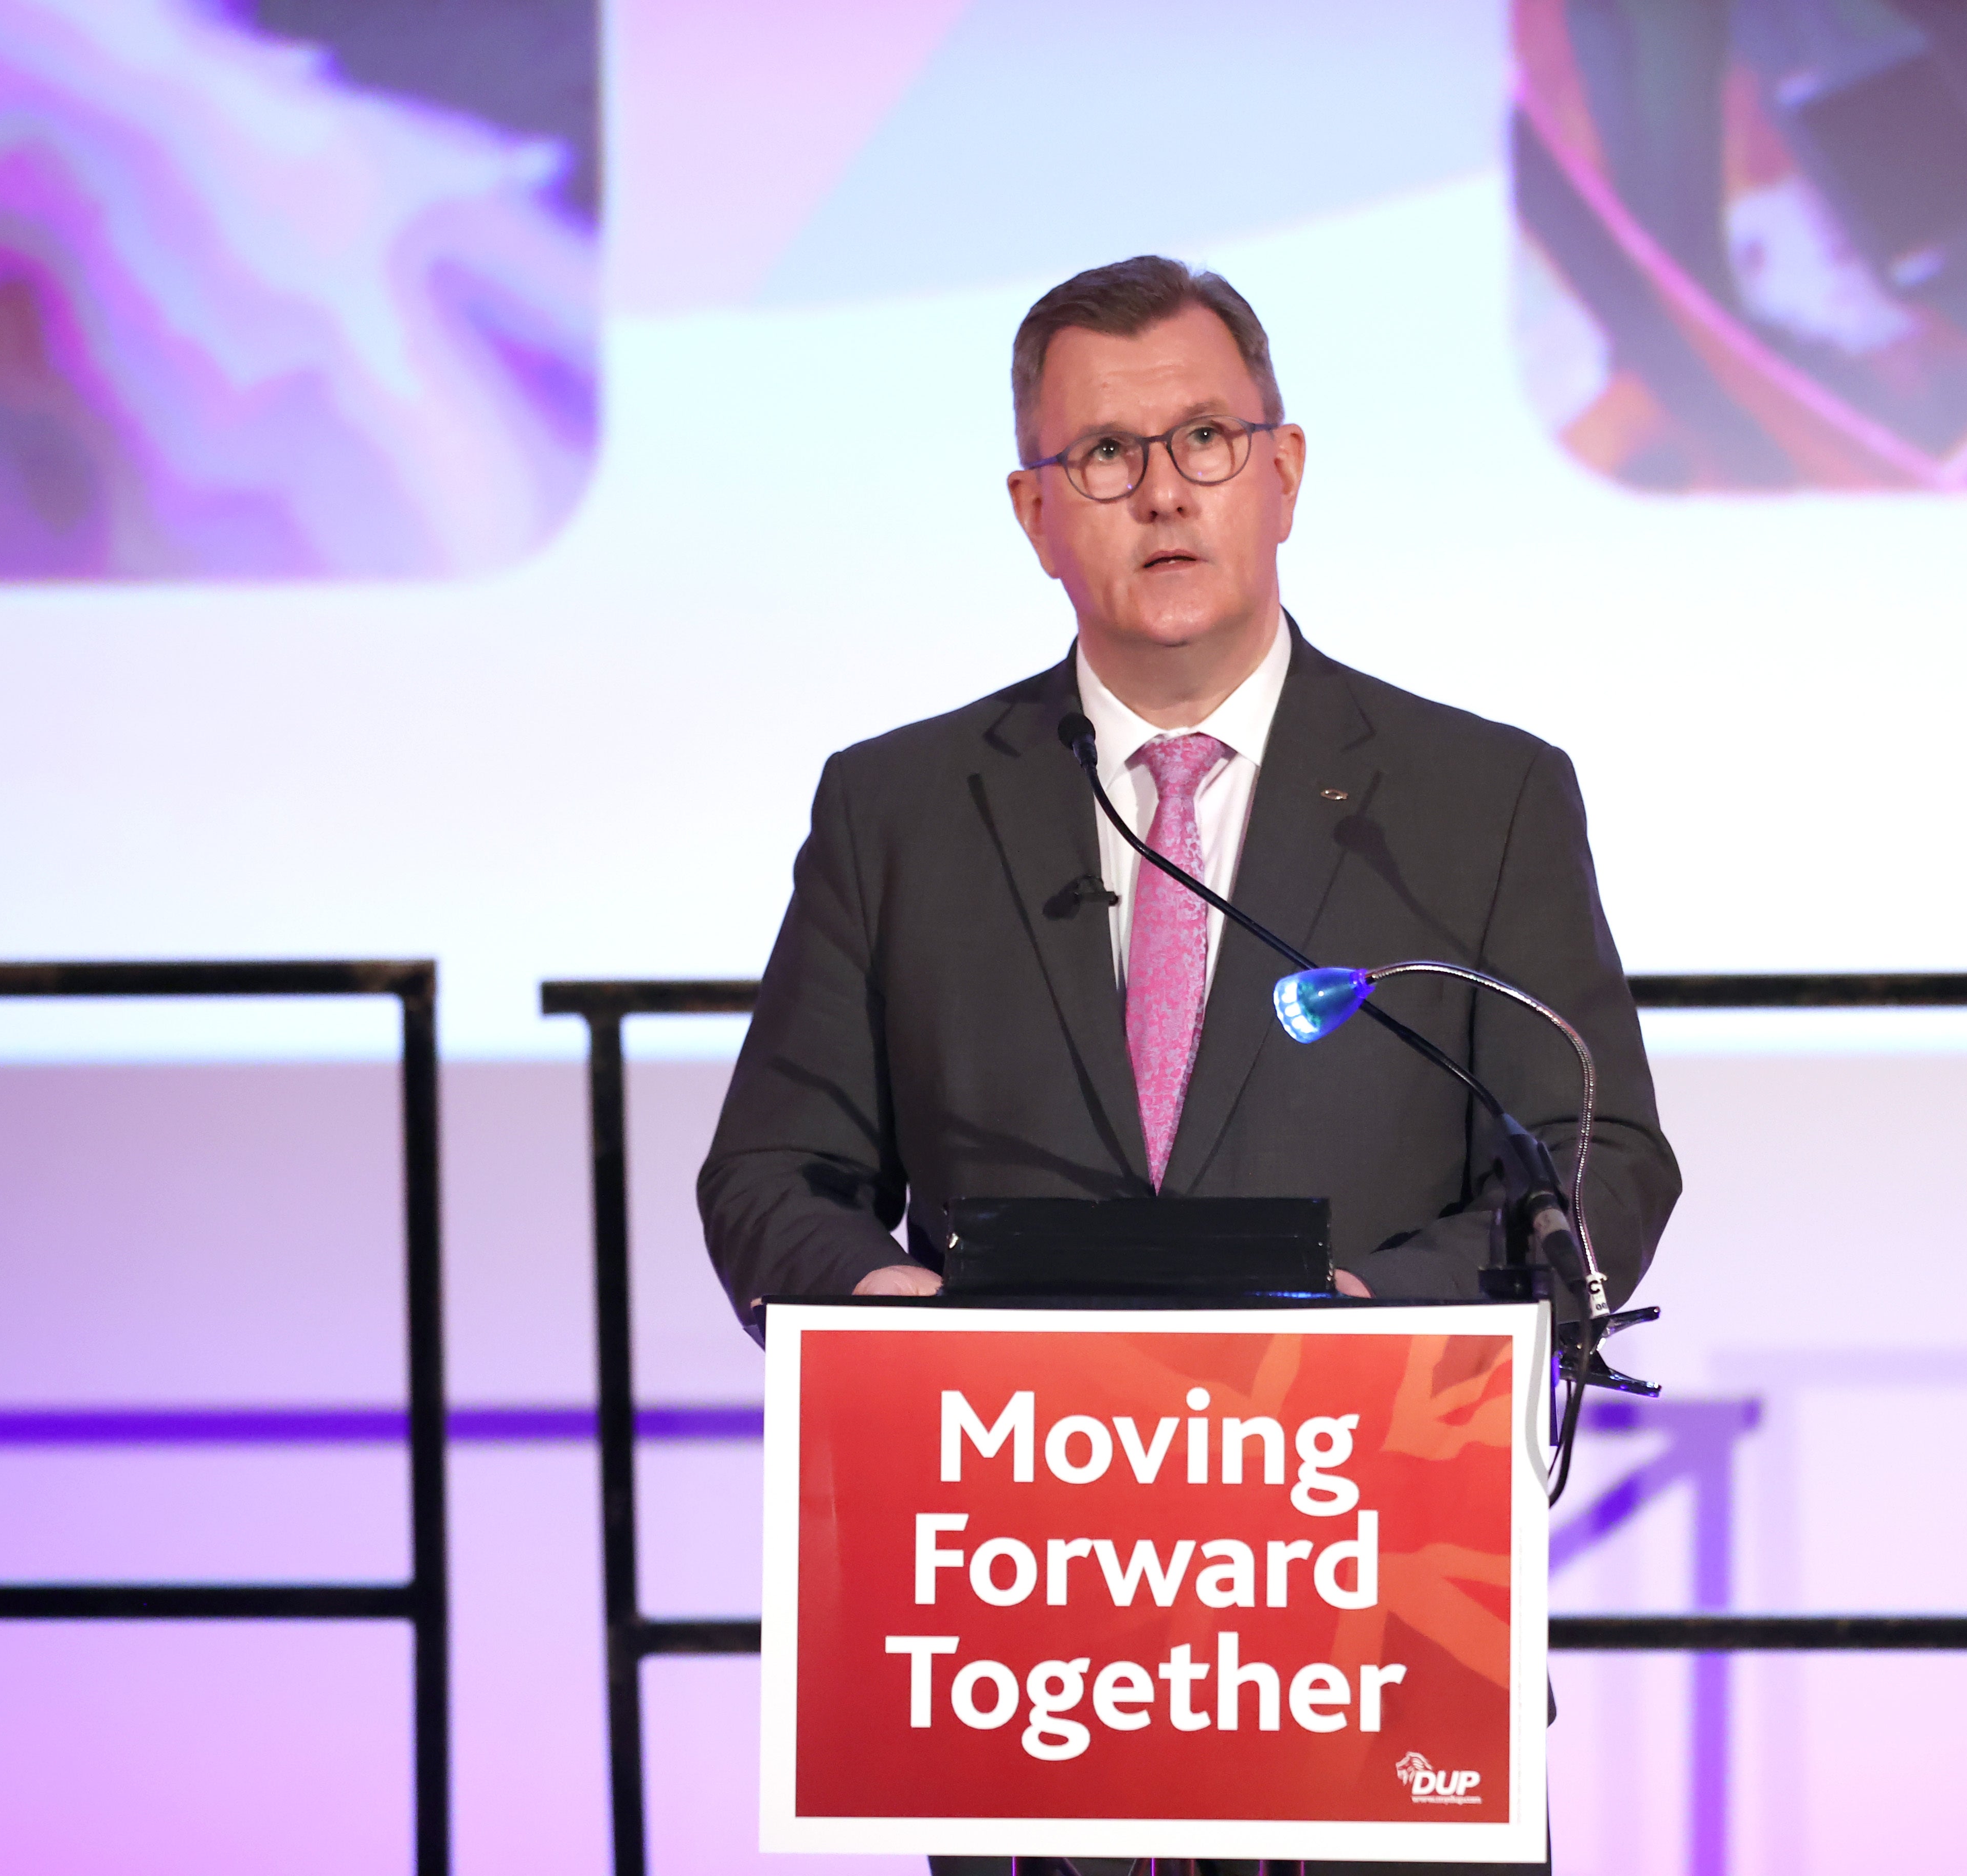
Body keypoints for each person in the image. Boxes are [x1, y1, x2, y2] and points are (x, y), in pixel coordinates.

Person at [698, 254, 1679, 1876]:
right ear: (1032, 511)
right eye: (1104, 455)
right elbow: (770, 1177)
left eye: (1206, 438)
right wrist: (902, 1332)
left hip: (1374, 1629)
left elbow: (1603, 1160)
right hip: (1034, 1648)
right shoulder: (900, 810)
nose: (1161, 492)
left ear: (1284, 474)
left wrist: (1380, 1332)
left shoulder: (1482, 796)